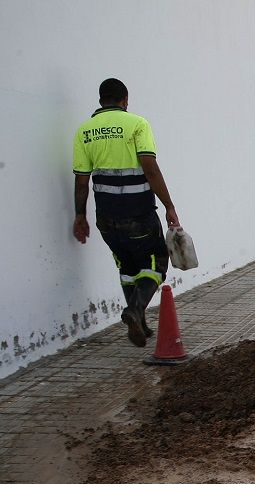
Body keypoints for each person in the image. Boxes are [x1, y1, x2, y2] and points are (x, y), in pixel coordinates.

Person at [72, 78, 180, 347]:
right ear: (125, 100)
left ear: (100, 101)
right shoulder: (137, 124)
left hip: (106, 218)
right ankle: (135, 311)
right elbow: (150, 169)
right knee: (155, 261)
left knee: (127, 266)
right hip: (139, 213)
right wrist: (169, 206)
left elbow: (82, 182)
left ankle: (140, 322)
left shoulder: (84, 131)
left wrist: (80, 216)